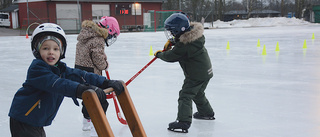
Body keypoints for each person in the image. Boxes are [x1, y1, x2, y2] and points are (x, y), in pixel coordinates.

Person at [8, 23, 124, 137]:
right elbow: (58, 84)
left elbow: (81, 75)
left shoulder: (60, 69)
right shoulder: (37, 69)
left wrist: (104, 82)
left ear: (61, 51)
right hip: (23, 119)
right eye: (45, 48)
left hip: (35, 119)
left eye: (56, 49)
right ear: (37, 50)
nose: (51, 52)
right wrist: (82, 89)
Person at [154, 12, 215, 133]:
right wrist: (174, 42)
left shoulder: (184, 45)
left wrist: (160, 54)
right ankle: (206, 112)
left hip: (195, 75)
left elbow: (172, 56)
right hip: (206, 72)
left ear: (178, 30)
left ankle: (183, 122)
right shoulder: (193, 38)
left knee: (185, 95)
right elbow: (182, 44)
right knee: (198, 93)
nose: (170, 34)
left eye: (172, 31)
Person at [74, 16, 120, 132]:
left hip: (79, 71)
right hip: (91, 73)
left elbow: (88, 53)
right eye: (111, 35)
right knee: (100, 98)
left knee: (88, 97)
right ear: (108, 29)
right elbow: (97, 59)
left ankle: (86, 121)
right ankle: (97, 123)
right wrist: (104, 64)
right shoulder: (98, 39)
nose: (109, 38)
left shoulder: (86, 35)